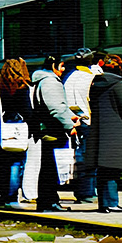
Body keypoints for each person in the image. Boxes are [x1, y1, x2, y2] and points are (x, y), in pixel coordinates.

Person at [85, 54, 122, 213]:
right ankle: (112, 203)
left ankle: (104, 203)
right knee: (113, 169)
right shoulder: (118, 85)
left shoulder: (94, 84)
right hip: (117, 131)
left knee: (103, 169)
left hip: (100, 130)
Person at [29, 55, 79, 212]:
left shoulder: (40, 80)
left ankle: (48, 201)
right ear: (54, 65)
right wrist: (70, 125)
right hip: (52, 130)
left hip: (45, 128)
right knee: (51, 168)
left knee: (47, 167)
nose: (63, 70)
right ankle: (49, 202)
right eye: (62, 66)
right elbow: (56, 108)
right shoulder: (50, 81)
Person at [0, 58, 32, 208]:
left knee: (3, 164)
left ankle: (1, 197)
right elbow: (27, 111)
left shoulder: (0, 85)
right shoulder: (22, 86)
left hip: (3, 128)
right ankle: (12, 198)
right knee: (16, 163)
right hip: (18, 129)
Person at [62, 49, 100, 203]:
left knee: (79, 157)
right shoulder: (92, 76)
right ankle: (88, 192)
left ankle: (81, 191)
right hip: (89, 120)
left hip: (75, 120)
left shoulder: (69, 77)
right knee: (90, 159)